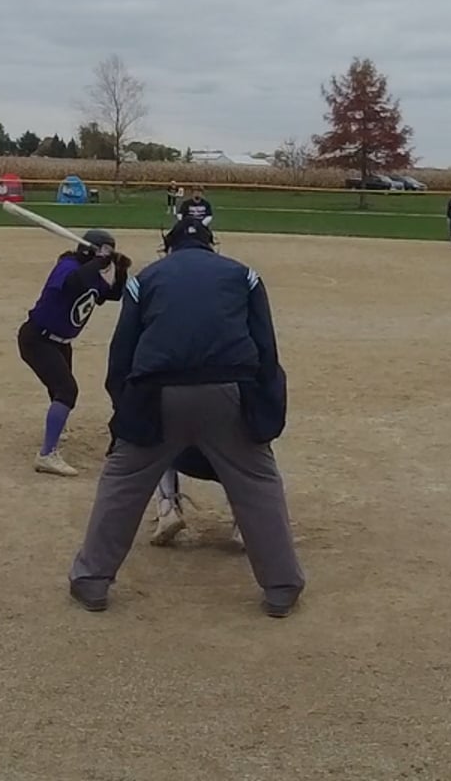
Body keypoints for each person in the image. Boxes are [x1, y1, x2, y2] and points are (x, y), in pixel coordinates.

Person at [68, 218, 304, 618]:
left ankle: (91, 579)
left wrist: (125, 410)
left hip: (157, 392)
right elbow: (266, 349)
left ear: (168, 248)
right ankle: (281, 587)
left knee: (122, 481)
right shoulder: (244, 275)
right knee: (258, 481)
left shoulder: (146, 279)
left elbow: (122, 353)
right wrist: (263, 411)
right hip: (229, 389)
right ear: (212, 245)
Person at [19, 229, 130, 476]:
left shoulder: (90, 273)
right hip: (38, 339)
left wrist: (120, 269)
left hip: (61, 342)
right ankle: (46, 455)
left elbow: (112, 294)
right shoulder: (67, 266)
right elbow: (73, 284)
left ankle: (56, 430)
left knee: (59, 387)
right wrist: (99, 261)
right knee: (67, 390)